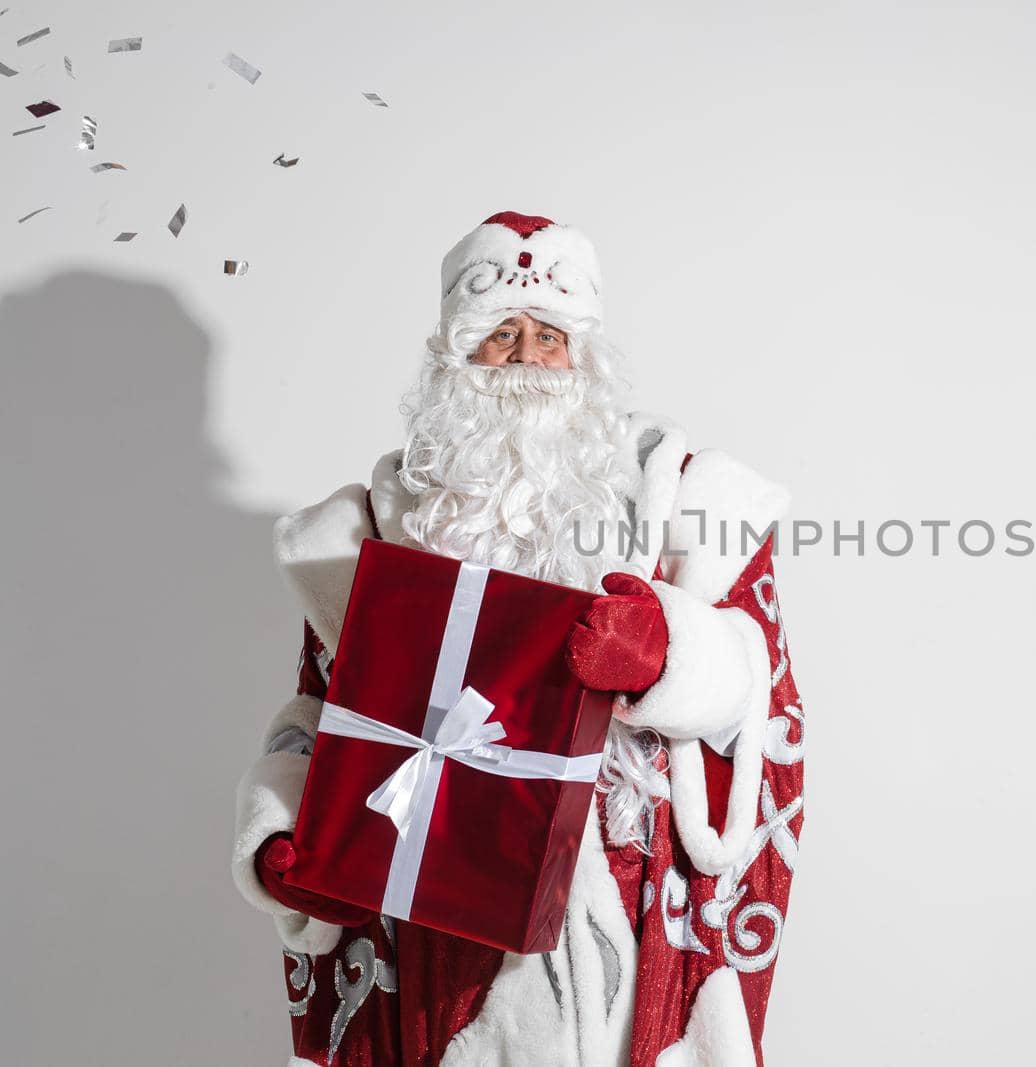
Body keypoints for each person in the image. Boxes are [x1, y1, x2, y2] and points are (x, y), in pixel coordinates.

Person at [231, 212, 805, 1066]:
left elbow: (764, 690)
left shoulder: (685, 504)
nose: (527, 357)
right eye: (501, 333)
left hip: (624, 888)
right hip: (435, 905)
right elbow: (322, 712)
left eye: (549, 335)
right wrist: (285, 835)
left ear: (586, 356)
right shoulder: (382, 529)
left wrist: (667, 656)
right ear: (455, 358)